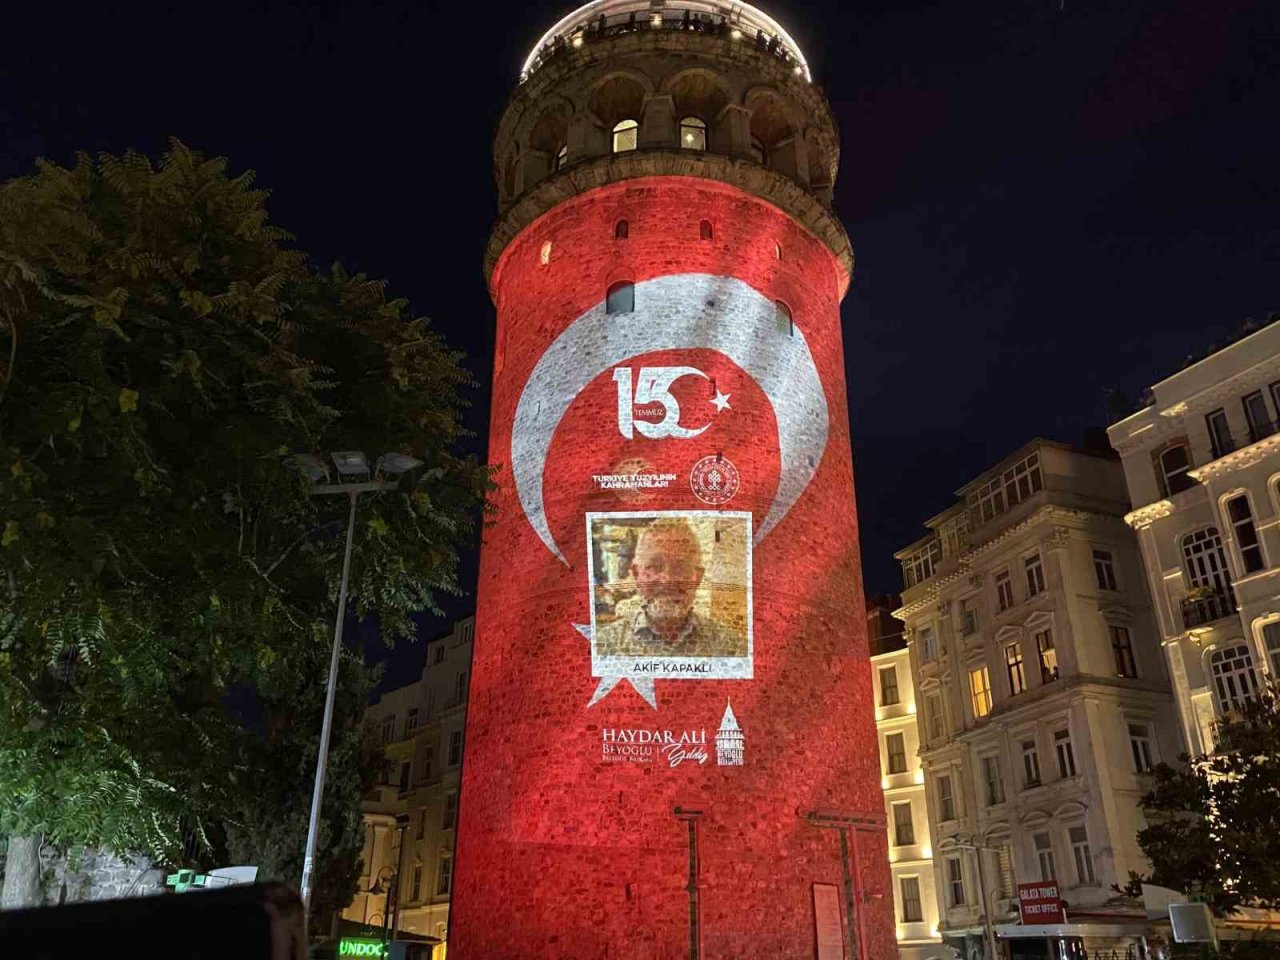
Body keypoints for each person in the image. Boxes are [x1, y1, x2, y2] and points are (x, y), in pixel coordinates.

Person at [595, 518, 743, 657]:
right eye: (654, 566)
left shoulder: (731, 647)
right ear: (636, 574)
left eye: (681, 567)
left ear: (697, 577)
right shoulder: (604, 645)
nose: (667, 580)